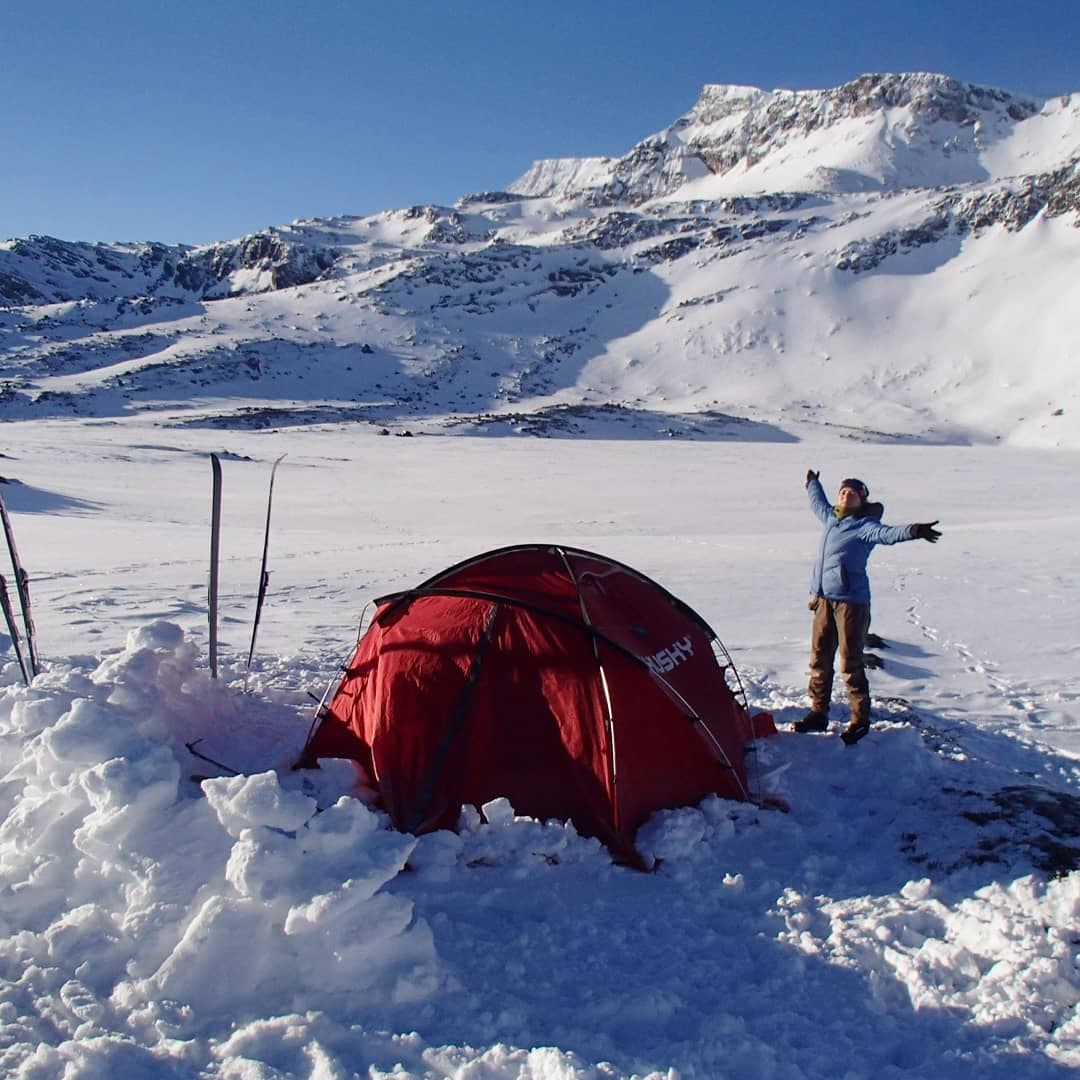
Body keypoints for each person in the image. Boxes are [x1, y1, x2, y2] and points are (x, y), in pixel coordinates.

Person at [796, 472, 941, 744]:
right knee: (819, 659)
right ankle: (818, 712)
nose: (845, 496)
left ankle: (860, 719)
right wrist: (812, 483)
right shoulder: (831, 518)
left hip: (851, 603)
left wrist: (914, 530)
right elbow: (817, 502)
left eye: (852, 493)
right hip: (823, 600)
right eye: (843, 492)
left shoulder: (865, 526)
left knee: (850, 662)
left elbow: (887, 534)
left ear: (862, 500)